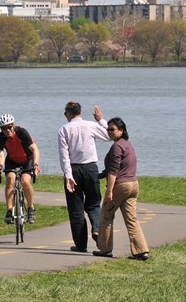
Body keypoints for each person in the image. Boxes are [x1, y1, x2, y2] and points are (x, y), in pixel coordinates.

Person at [94, 117, 149, 260]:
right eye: (108, 129)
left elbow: (114, 171)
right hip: (133, 185)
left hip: (121, 185)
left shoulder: (117, 147)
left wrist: (109, 192)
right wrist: (99, 176)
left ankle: (105, 249)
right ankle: (141, 250)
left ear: (122, 130)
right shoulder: (127, 144)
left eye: (112, 129)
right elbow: (117, 167)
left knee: (106, 215)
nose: (109, 132)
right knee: (131, 219)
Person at [58, 102, 110, 253]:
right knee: (94, 203)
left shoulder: (64, 129)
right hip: (91, 168)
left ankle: (81, 245)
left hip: (73, 169)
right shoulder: (90, 125)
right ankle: (97, 228)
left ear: (67, 113)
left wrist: (68, 175)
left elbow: (64, 156)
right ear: (80, 112)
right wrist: (101, 120)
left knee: (76, 209)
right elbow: (109, 135)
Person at [0, 114, 40, 224]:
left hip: (27, 159)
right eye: (4, 128)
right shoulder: (0, 138)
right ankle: (9, 210)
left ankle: (30, 209)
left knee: (25, 181)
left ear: (13, 125)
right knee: (10, 180)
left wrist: (35, 164)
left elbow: (35, 150)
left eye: (9, 127)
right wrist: (0, 166)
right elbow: (1, 155)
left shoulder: (22, 133)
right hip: (12, 160)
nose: (7, 130)